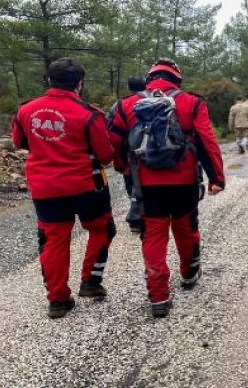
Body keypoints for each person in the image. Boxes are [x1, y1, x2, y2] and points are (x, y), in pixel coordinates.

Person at [108, 58, 226, 318]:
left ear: (150, 79)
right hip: (184, 182)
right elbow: (207, 141)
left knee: (153, 237)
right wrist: (217, 177)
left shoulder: (127, 105)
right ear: (177, 80)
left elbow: (114, 141)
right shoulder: (192, 103)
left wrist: (121, 166)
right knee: (186, 229)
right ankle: (189, 274)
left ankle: (159, 295)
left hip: (146, 186)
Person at [11, 58, 115, 318]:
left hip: (45, 187)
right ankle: (90, 282)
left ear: (49, 80)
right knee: (103, 228)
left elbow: (18, 142)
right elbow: (106, 157)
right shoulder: (90, 114)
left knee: (54, 239)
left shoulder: (25, 111)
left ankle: (57, 300)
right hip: (86, 186)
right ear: (80, 84)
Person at [107, 76, 146, 234]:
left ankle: (136, 219)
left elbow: (111, 133)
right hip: (154, 153)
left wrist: (119, 163)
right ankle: (148, 216)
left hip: (130, 154)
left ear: (129, 87)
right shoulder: (156, 99)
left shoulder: (120, 105)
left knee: (132, 186)